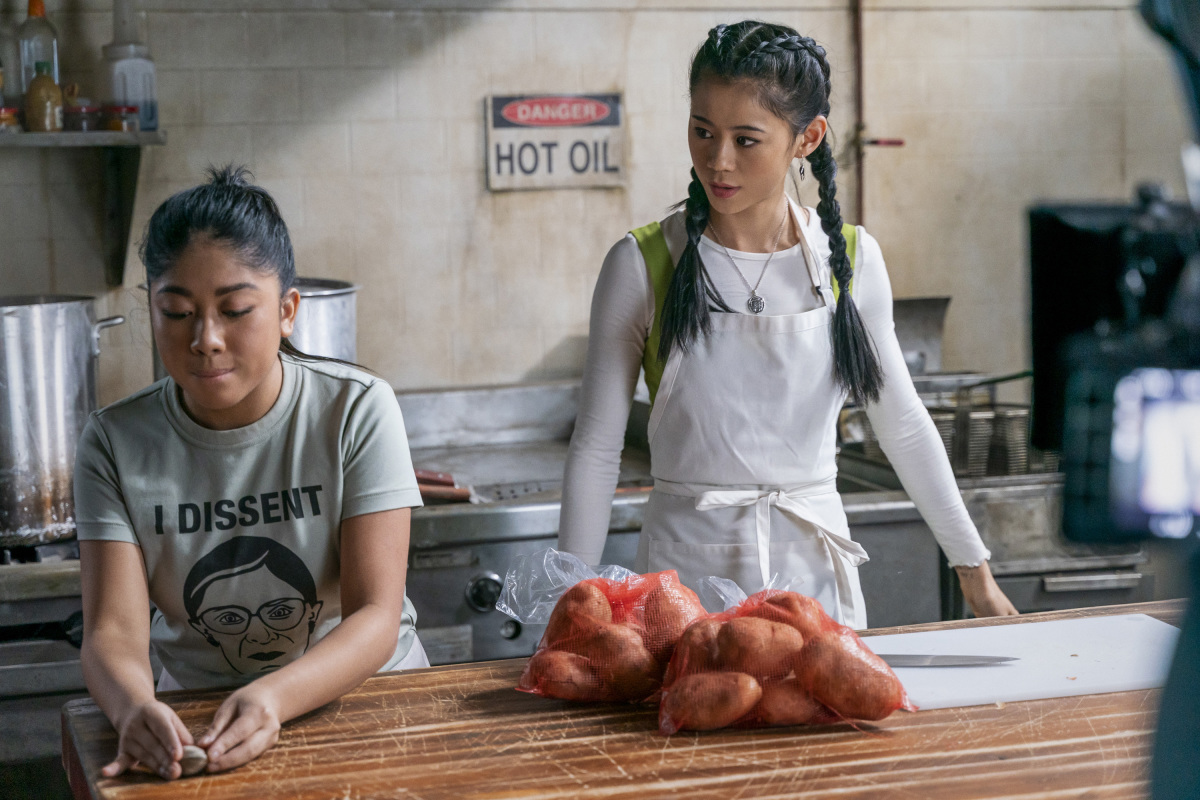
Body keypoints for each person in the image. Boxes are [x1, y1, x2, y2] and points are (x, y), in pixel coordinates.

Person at [557, 20, 1018, 627]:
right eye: (702, 131)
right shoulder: (643, 264)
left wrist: (975, 572)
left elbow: (902, 424)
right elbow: (596, 448)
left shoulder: (850, 260)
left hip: (814, 584)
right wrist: (569, 605)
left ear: (808, 138)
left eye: (746, 140)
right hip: (684, 588)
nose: (717, 161)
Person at [75, 166, 427, 781]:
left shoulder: (355, 409)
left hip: (369, 706)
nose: (206, 339)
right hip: (201, 724)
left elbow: (377, 614)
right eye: (177, 312)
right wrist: (134, 707)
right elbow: (112, 632)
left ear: (288, 310)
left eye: (235, 309)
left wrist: (274, 697)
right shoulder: (114, 442)